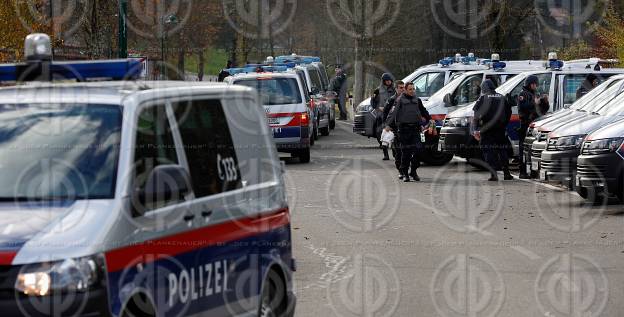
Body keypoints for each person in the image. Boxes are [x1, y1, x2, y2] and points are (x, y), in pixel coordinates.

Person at [387, 83, 433, 182]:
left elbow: (423, 111)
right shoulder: (400, 100)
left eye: (413, 89)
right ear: (405, 90)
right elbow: (393, 113)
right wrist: (388, 125)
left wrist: (430, 119)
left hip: (415, 129)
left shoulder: (417, 100)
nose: (412, 91)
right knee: (406, 153)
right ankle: (404, 173)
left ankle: (413, 171)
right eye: (410, 89)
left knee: (419, 151)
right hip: (404, 130)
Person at [472, 79, 513, 181]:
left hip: (487, 129)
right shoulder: (502, 97)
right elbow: (509, 112)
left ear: (484, 88)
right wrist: (504, 124)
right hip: (500, 129)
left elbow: (476, 115)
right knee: (502, 150)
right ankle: (507, 173)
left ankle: (493, 174)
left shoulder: (483, 98)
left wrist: (475, 129)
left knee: (488, 151)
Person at [518, 75, 550, 179]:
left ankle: (533, 171)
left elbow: (542, 110)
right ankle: (522, 172)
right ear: (531, 84)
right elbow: (524, 106)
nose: (536, 86)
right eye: (535, 84)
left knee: (533, 150)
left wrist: (545, 102)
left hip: (535, 126)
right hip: (525, 125)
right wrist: (535, 102)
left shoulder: (535, 94)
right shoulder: (523, 94)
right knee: (524, 150)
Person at [384, 81, 406, 176]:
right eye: (400, 88)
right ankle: (400, 170)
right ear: (396, 89)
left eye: (403, 87)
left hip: (405, 128)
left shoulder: (407, 99)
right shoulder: (392, 99)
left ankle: (404, 169)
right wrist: (387, 125)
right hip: (394, 128)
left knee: (405, 150)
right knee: (397, 152)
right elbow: (385, 113)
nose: (402, 89)